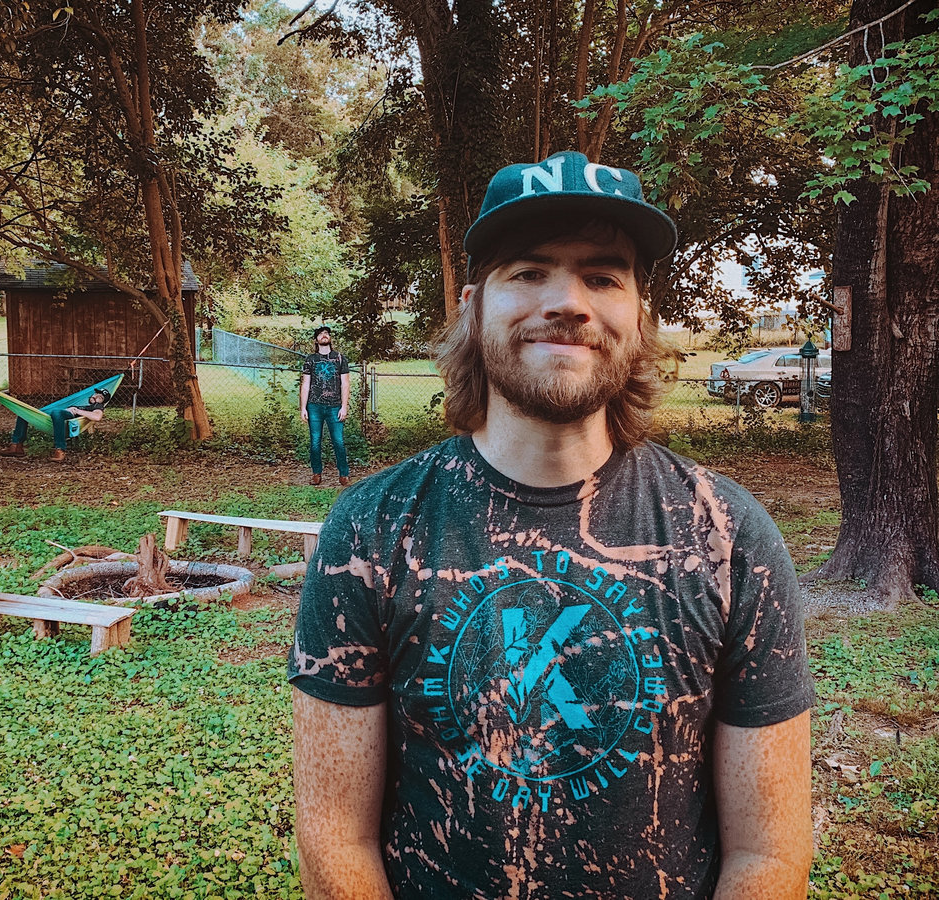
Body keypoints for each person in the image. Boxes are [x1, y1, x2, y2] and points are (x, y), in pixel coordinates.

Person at [289, 151, 813, 898]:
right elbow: (334, 838)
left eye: (603, 277)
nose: (568, 301)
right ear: (473, 305)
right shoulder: (370, 532)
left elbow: (768, 854)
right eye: (530, 271)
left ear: (639, 316)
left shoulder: (729, 537)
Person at [300, 326, 351, 486]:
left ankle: (344, 474)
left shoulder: (340, 358)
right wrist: (303, 407)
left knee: (338, 441)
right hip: (314, 406)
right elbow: (305, 384)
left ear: (330, 338)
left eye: (326, 333)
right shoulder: (310, 360)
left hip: (335, 407)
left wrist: (344, 406)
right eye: (320, 334)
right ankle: (316, 473)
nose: (324, 335)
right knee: (315, 441)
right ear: (316, 340)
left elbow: (345, 384)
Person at [2, 386, 110, 461]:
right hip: (56, 414)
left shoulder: (97, 406)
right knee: (24, 413)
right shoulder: (87, 404)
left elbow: (97, 417)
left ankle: (60, 449)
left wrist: (77, 411)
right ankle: (16, 446)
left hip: (66, 416)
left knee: (56, 412)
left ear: (102, 402)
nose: (96, 397)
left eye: (100, 397)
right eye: (96, 394)